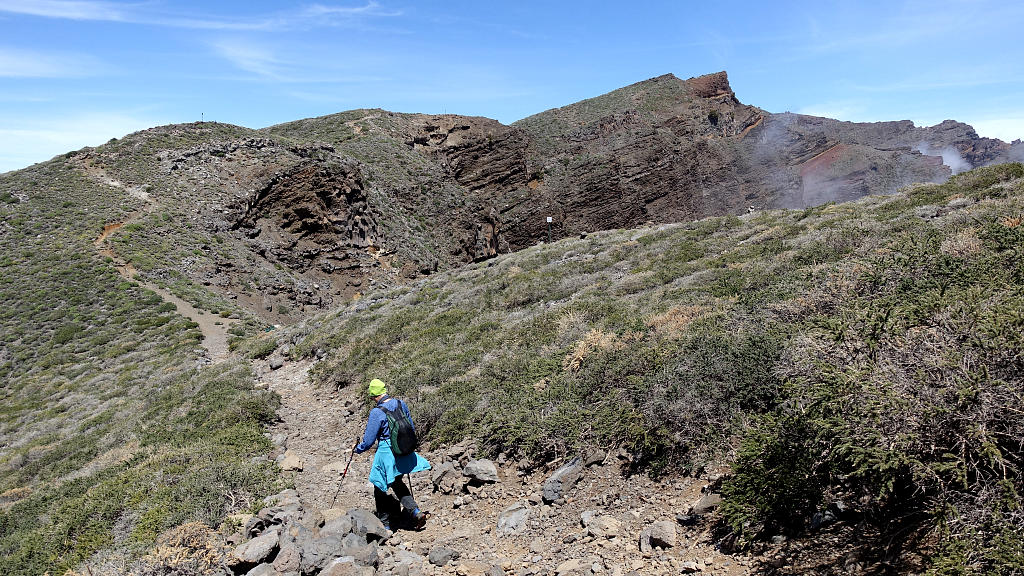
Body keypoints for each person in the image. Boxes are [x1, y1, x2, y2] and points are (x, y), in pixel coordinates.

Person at [353, 378, 431, 530]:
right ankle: (415, 511)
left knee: (379, 486)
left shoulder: (377, 412)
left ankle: (385, 526)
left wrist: (357, 449)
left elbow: (369, 441)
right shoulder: (401, 404)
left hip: (387, 453)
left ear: (373, 396)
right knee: (396, 482)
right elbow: (411, 427)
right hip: (403, 449)